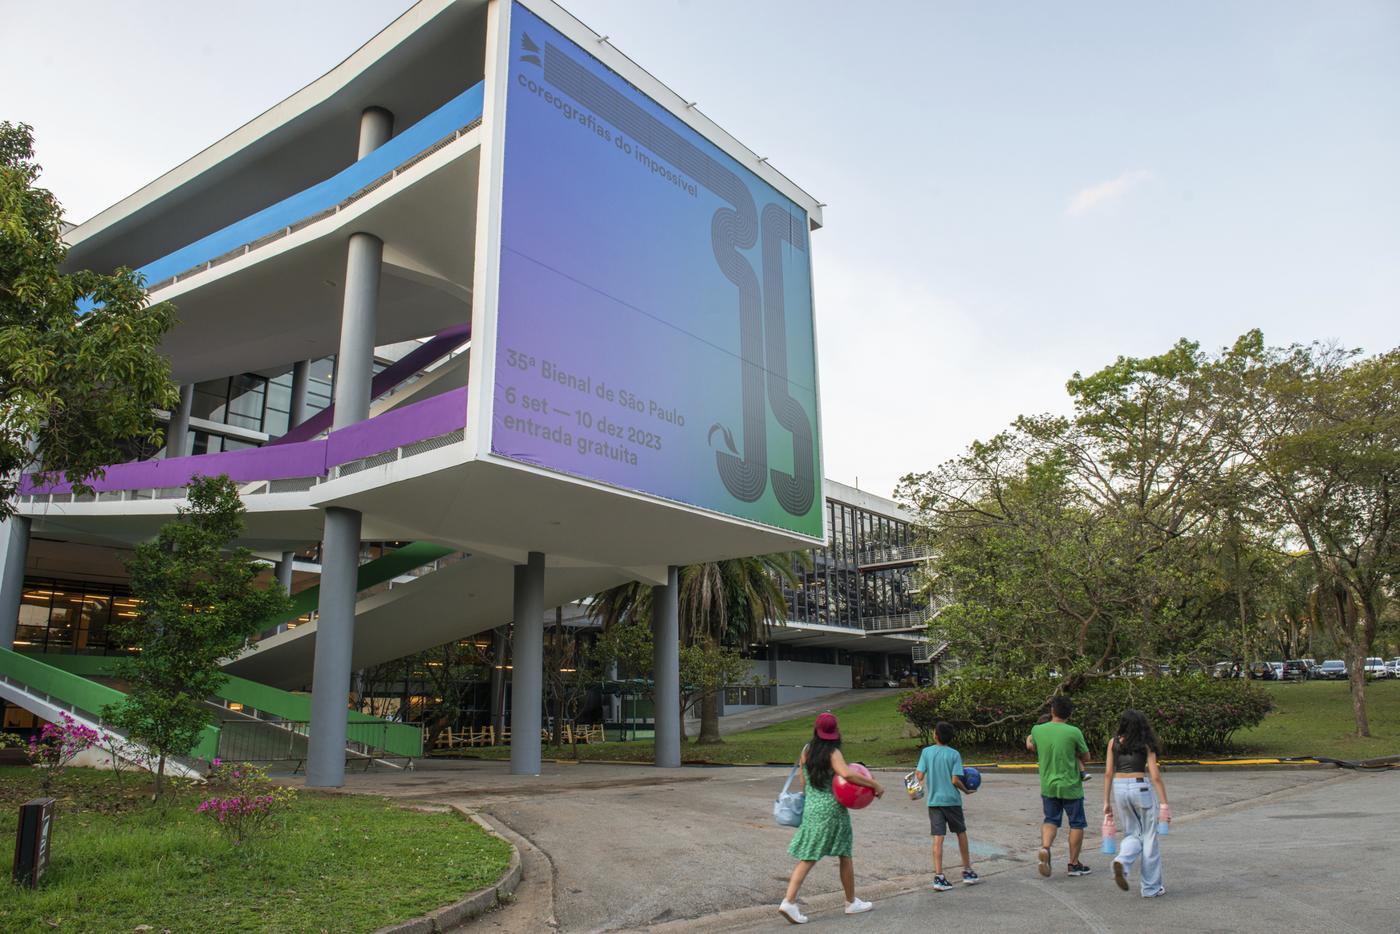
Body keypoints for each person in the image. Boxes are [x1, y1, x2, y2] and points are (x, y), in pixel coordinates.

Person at [779, 712, 885, 924]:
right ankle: (791, 901)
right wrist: (874, 785)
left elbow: (803, 780)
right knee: (838, 855)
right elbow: (847, 774)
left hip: (812, 808)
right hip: (832, 810)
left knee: (816, 854)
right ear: (834, 732)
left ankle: (848, 901)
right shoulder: (832, 752)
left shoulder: (806, 750)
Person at [1102, 709, 1170, 897]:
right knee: (1148, 837)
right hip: (1141, 788)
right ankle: (1151, 887)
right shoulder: (1146, 744)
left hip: (1119, 788)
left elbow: (1108, 772)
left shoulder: (1113, 742)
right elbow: (1155, 776)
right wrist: (1164, 803)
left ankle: (1123, 861)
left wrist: (1106, 801)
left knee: (1133, 833)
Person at [1026, 695, 1092, 878]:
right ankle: (1073, 864)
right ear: (1069, 714)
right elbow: (1086, 757)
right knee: (1077, 823)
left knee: (1051, 820)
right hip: (1071, 786)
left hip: (1048, 785)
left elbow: (1031, 745)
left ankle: (1045, 848)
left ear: (1052, 711)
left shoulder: (1037, 730)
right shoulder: (1074, 732)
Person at [914, 721, 979, 891]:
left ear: (935, 735)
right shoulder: (954, 754)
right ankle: (967, 871)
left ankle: (939, 876)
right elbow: (955, 780)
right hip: (952, 801)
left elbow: (919, 776)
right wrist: (966, 791)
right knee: (961, 833)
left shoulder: (926, 752)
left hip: (934, 802)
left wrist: (914, 786)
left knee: (938, 837)